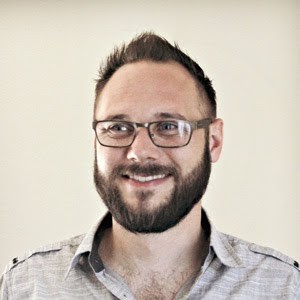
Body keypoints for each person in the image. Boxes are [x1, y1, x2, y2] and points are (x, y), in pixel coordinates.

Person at [1, 32, 299, 300]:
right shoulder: (25, 287)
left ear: (213, 141)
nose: (140, 151)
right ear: (95, 141)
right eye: (117, 127)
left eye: (169, 126)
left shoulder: (284, 287)